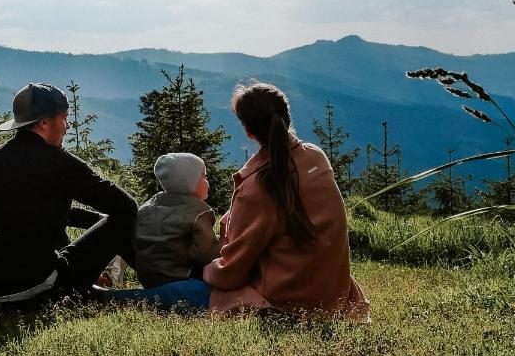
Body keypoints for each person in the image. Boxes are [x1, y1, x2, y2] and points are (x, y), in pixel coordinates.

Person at [105, 82, 368, 320]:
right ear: (286, 116)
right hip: (331, 294)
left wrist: (207, 268)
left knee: (183, 291)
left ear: (248, 131)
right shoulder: (316, 158)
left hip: (288, 301)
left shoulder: (257, 186)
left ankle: (102, 299)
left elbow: (231, 274)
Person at [0, 82, 137, 317]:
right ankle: (164, 284)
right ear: (44, 122)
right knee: (124, 219)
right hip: (30, 293)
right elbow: (126, 205)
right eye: (64, 118)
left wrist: (96, 219)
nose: (67, 126)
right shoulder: (57, 163)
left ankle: (95, 287)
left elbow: (34, 210)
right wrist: (105, 223)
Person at [133, 152, 220, 287]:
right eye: (204, 176)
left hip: (148, 278)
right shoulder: (199, 210)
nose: (207, 182)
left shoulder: (150, 205)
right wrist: (226, 243)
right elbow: (206, 254)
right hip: (180, 279)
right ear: (190, 182)